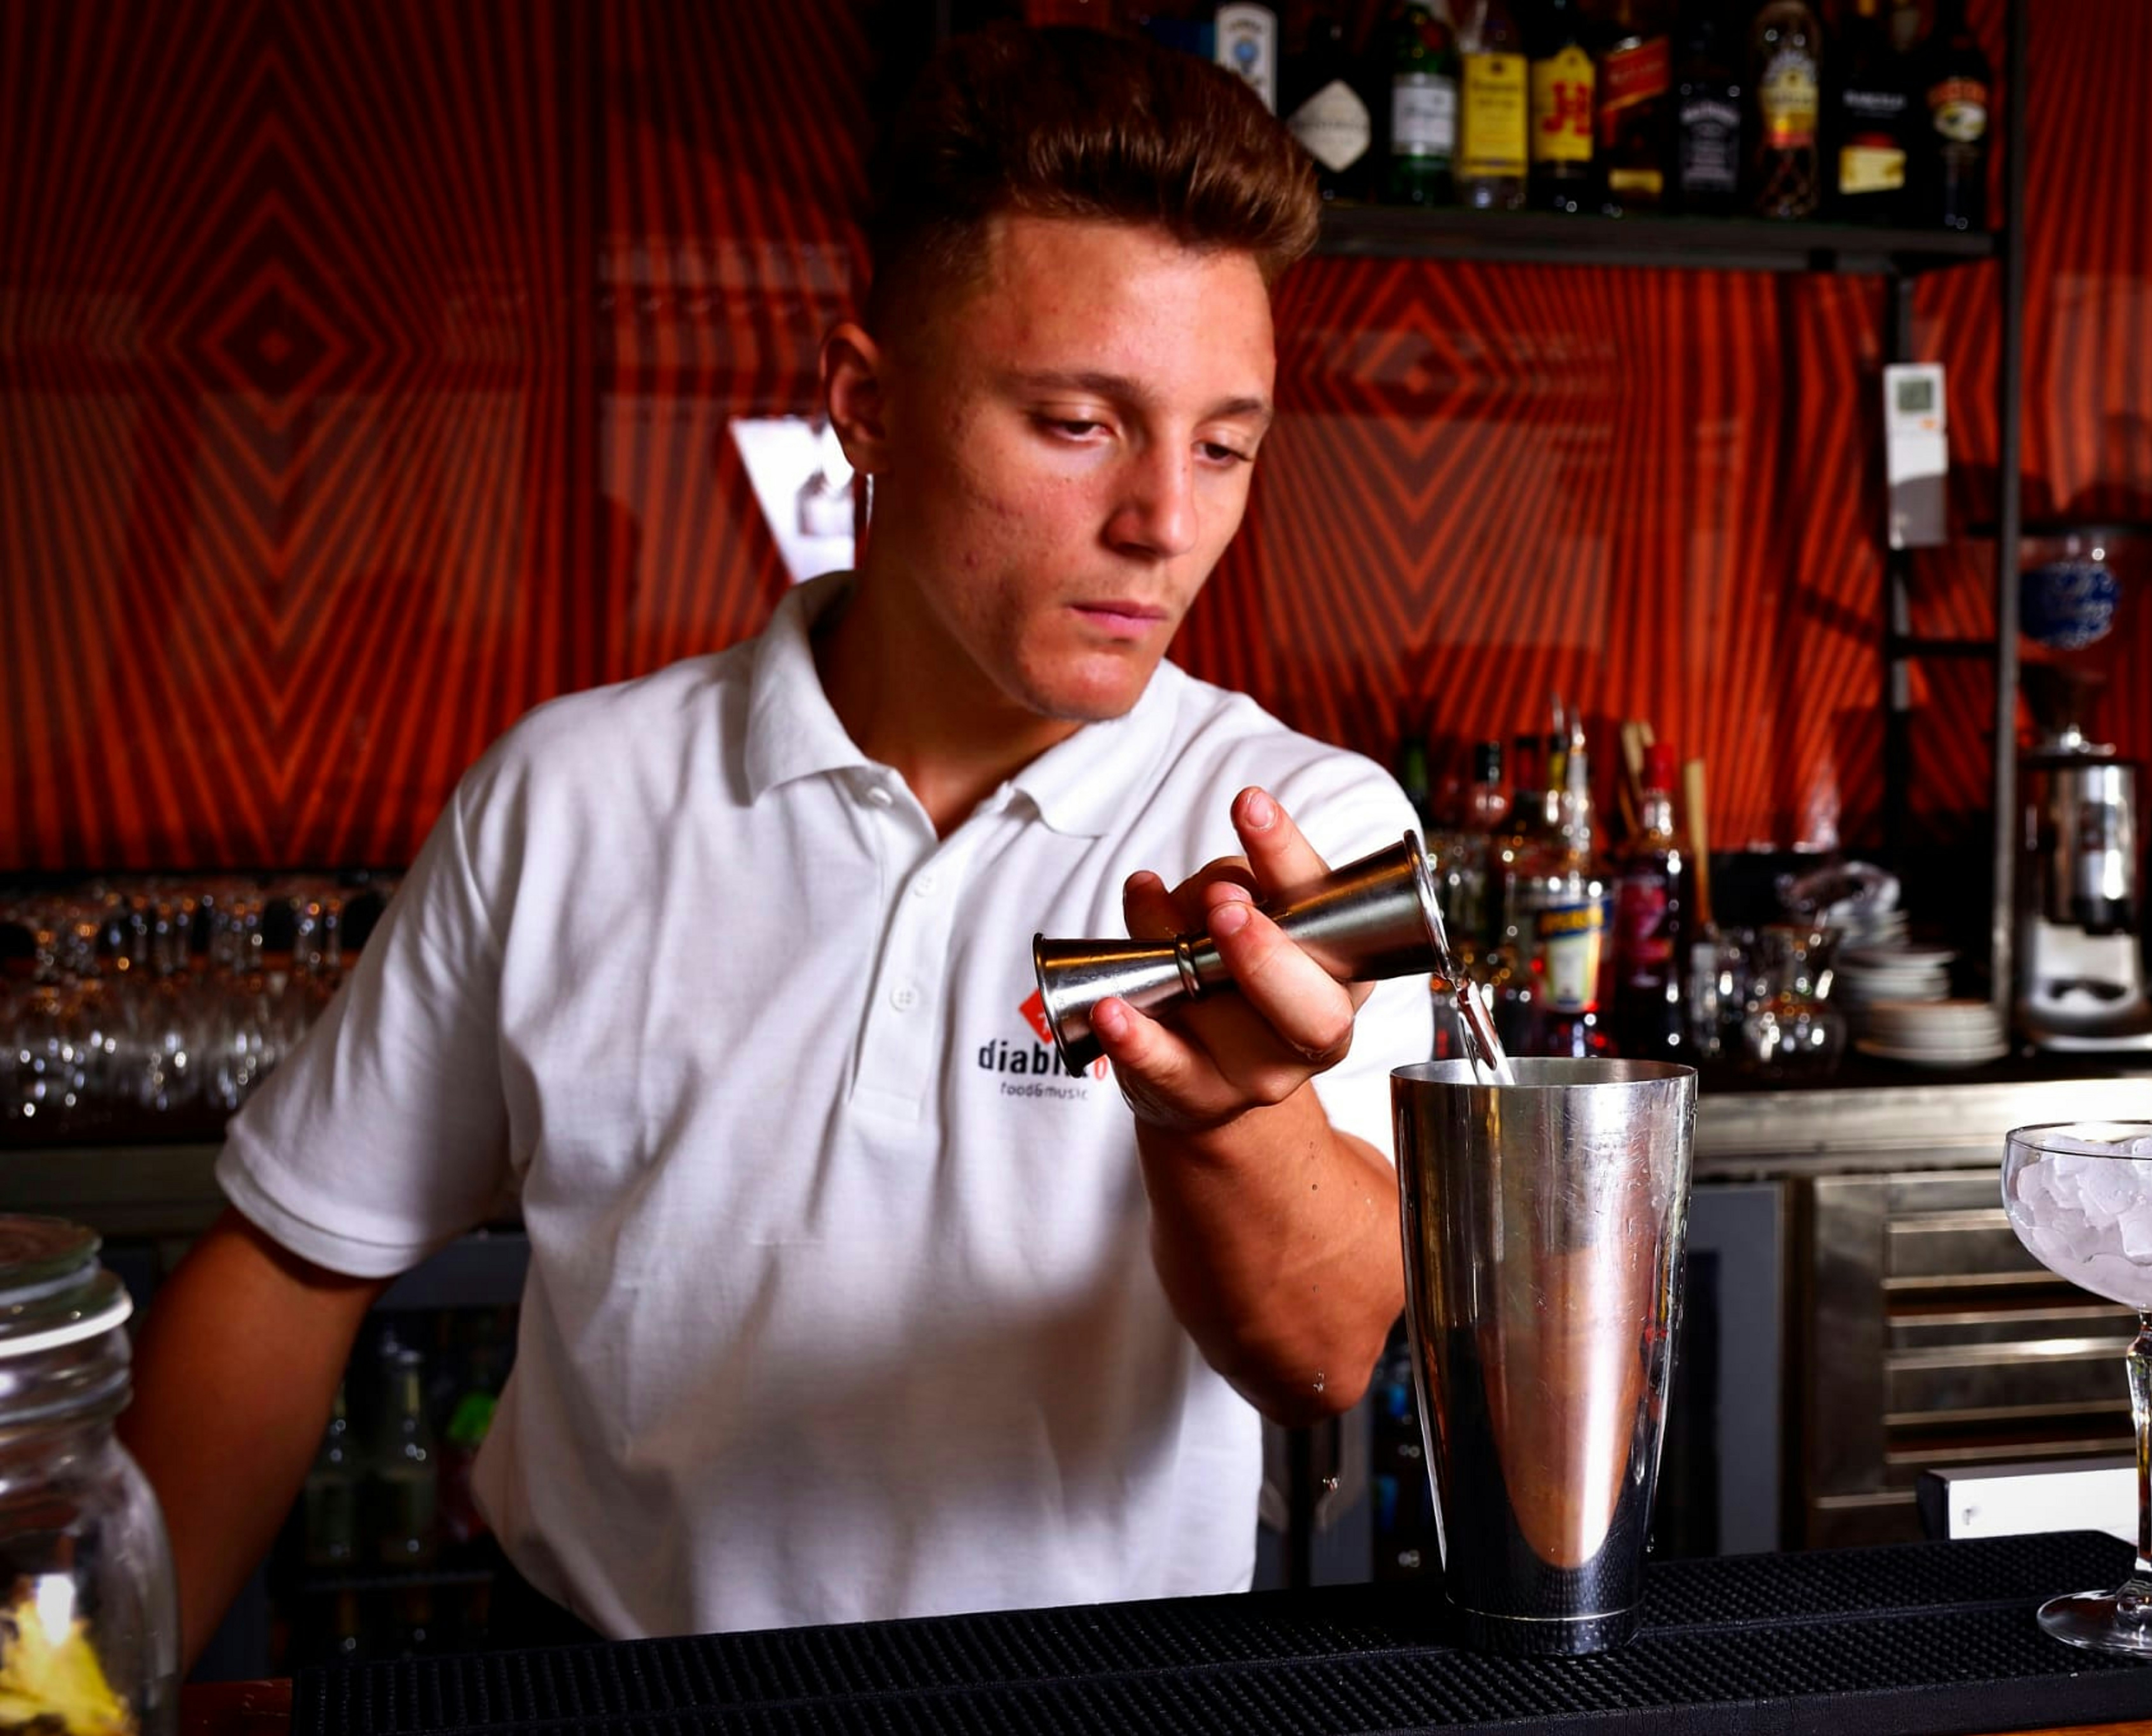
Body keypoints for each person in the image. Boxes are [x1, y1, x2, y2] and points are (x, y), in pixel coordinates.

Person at [118, 23, 1431, 1658]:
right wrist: (83, 1689)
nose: (1165, 519)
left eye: (1222, 444)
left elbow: (1322, 1355)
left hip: (1085, 1705)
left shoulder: (1309, 829)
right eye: (1078, 424)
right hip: (595, 1693)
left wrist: (1223, 1121)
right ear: (866, 407)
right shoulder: (569, 795)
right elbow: (292, 1262)